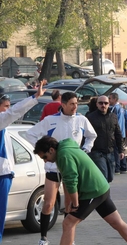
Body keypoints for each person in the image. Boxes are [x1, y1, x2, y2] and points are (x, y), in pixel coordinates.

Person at [33, 136, 127, 245]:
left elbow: (71, 180)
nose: (45, 161)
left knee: (68, 223)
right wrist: (70, 202)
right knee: (116, 222)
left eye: (45, 157)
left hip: (92, 191)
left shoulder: (63, 155)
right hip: (101, 187)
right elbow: (69, 180)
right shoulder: (67, 148)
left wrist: (75, 203)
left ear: (51, 150)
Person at [26, 91, 97, 245]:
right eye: (72, 104)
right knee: (48, 204)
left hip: (71, 168)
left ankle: (69, 239)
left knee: (70, 205)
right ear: (63, 105)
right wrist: (44, 154)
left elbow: (92, 136)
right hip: (53, 168)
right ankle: (43, 238)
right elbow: (30, 134)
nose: (75, 107)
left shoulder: (81, 119)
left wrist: (85, 150)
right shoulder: (50, 120)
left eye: (76, 104)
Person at [0, 82, 46, 243]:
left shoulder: (4, 126)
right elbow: (14, 112)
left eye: (7, 106)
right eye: (4, 106)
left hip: (5, 174)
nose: (7, 109)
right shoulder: (1, 121)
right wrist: (35, 97)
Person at [86, 96, 124, 183]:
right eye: (101, 103)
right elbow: (86, 135)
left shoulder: (113, 116)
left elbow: (118, 134)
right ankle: (105, 196)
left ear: (109, 104)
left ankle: (102, 195)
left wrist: (121, 150)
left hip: (110, 151)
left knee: (110, 177)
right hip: (97, 152)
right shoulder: (90, 117)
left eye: (105, 103)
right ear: (97, 104)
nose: (103, 105)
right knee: (104, 177)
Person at [108, 93, 127, 175]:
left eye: (110, 98)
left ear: (114, 99)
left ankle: (117, 168)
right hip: (122, 132)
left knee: (117, 151)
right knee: (121, 150)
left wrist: (114, 132)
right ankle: (124, 167)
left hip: (118, 133)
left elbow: (116, 122)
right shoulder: (119, 108)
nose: (108, 100)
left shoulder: (116, 109)